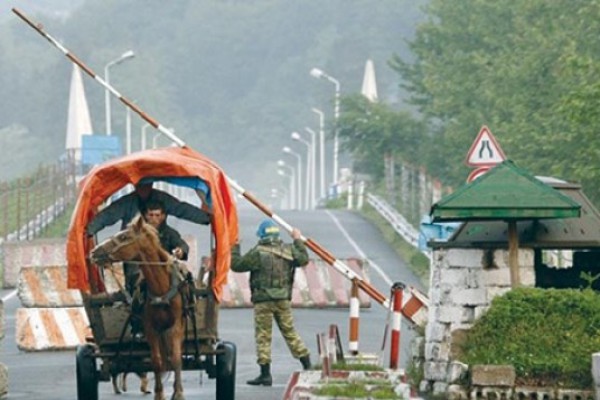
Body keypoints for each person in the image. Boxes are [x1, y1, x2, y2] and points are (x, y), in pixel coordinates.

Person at [231, 219, 311, 386]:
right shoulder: (288, 250)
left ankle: (265, 374)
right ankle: (308, 366)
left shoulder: (257, 252)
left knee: (263, 336)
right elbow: (303, 259)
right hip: (283, 300)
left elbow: (237, 265)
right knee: (290, 333)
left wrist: (235, 247)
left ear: (261, 235)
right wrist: (297, 239)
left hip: (263, 301)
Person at [87, 182, 208, 293]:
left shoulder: (168, 231)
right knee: (134, 274)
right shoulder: (128, 210)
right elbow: (108, 215)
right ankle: (134, 299)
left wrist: (206, 219)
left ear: (162, 216)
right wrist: (89, 230)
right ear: (145, 215)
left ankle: (188, 305)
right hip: (135, 261)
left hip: (164, 266)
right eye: (151, 215)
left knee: (183, 277)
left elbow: (182, 211)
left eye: (157, 215)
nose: (154, 219)